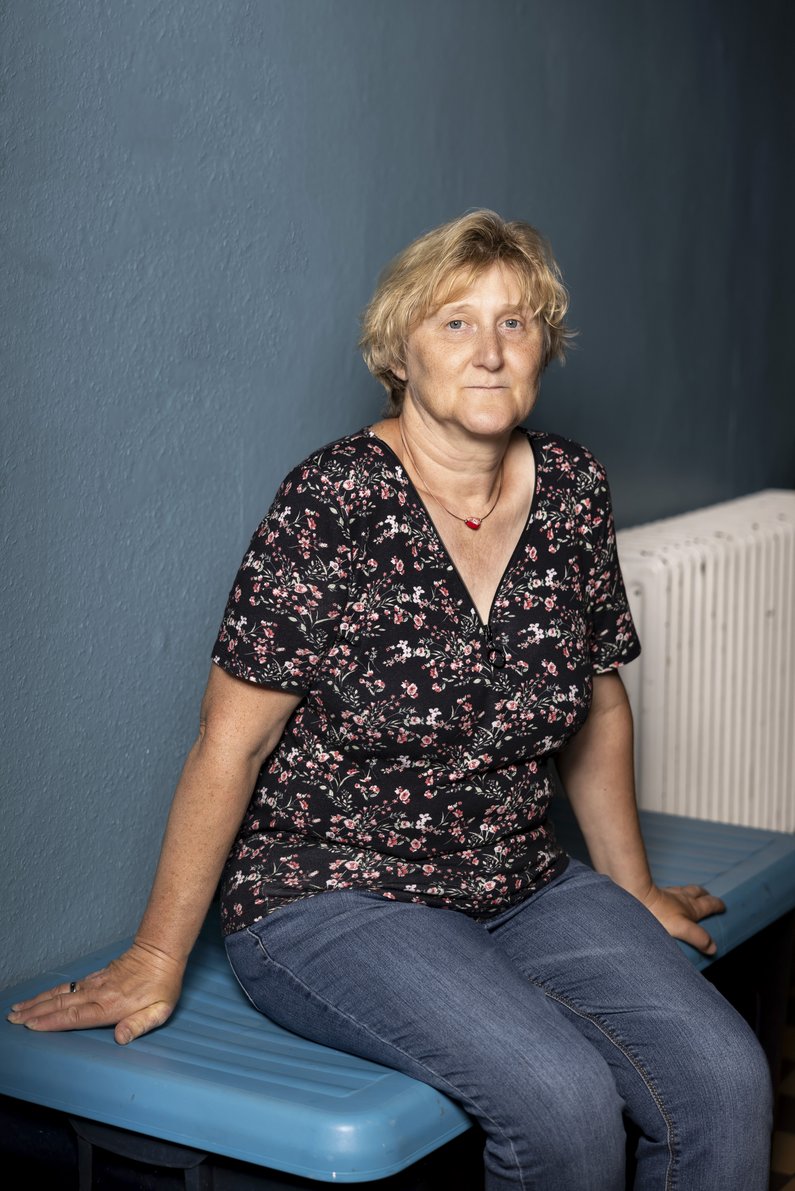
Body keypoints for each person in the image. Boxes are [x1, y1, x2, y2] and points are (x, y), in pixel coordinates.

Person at [9, 210, 772, 1189]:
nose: (491, 352)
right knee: (564, 1101)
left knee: (726, 1078)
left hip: (519, 879)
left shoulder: (574, 487)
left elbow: (600, 701)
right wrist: (158, 954)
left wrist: (630, 890)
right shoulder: (332, 502)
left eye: (517, 323)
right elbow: (227, 745)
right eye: (456, 323)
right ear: (399, 352)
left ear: (546, 345)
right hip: (336, 897)